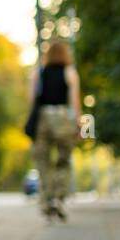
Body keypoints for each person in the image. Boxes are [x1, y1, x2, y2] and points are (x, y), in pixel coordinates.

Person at [29, 40, 82, 220]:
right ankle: (59, 198)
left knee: (43, 161)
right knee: (63, 160)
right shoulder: (70, 73)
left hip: (42, 118)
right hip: (63, 118)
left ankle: (48, 199)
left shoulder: (39, 73)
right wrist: (79, 123)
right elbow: (74, 101)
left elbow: (32, 100)